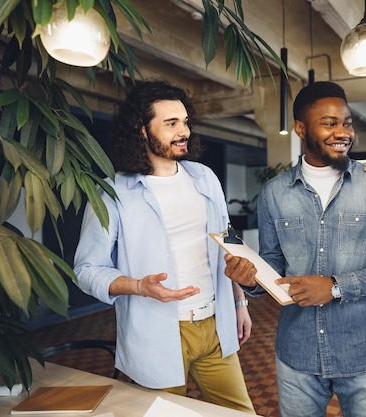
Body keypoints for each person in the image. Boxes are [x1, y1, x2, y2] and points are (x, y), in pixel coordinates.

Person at [224, 81, 366, 417]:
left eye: (347, 123)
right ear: (301, 128)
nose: (342, 132)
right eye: (329, 123)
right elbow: (272, 263)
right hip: (297, 355)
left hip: (363, 354)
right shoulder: (274, 193)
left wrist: (336, 287)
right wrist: (251, 279)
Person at [73, 80, 255, 414]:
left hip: (216, 325)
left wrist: (240, 302)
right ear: (142, 130)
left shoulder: (204, 178)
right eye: (170, 123)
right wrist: (139, 286)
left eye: (185, 121)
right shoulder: (114, 191)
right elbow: (86, 270)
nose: (183, 130)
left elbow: (227, 243)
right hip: (156, 334)